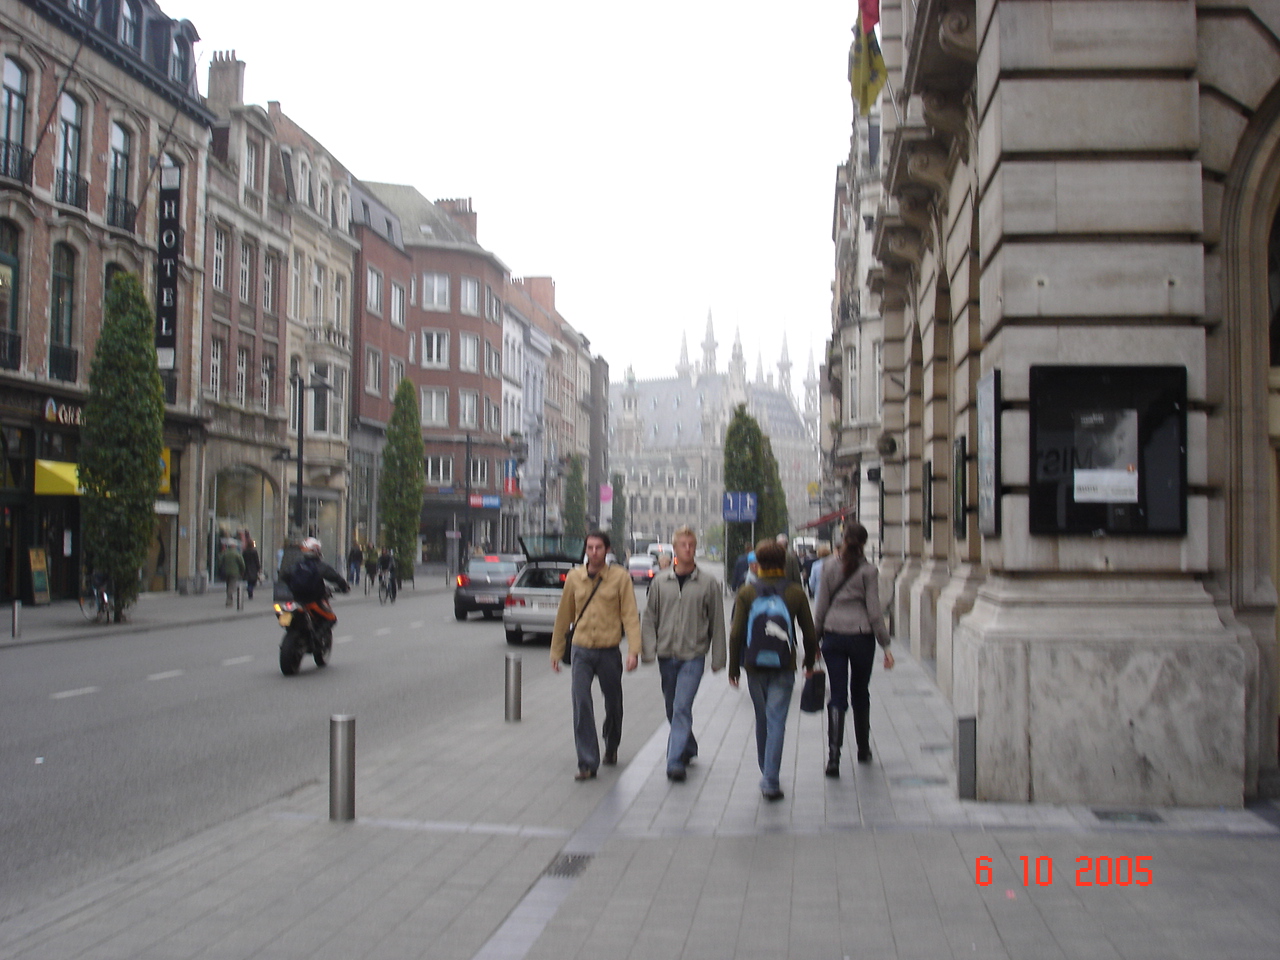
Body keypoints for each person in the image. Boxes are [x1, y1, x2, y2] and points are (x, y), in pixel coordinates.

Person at [728, 539, 818, 801]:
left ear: (757, 564)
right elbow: (809, 633)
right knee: (777, 720)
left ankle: (765, 768)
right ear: (783, 563)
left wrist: (734, 668)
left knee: (762, 718)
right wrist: (808, 662)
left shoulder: (747, 593)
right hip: (784, 664)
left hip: (754, 665)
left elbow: (736, 634)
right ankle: (770, 778)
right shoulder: (795, 593)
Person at [550, 530, 642, 781]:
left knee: (613, 703)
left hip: (608, 650)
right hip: (581, 649)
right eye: (589, 548)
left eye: (598, 548)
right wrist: (556, 651)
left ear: (607, 550)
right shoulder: (574, 578)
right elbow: (563, 616)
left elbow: (630, 616)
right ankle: (587, 762)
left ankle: (611, 743)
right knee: (581, 702)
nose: (593, 552)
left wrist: (633, 651)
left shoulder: (620, 578)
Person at [641, 525, 726, 782]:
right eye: (683, 545)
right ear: (675, 549)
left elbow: (717, 622)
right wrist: (648, 649)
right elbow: (649, 618)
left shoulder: (708, 583)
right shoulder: (660, 582)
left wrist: (719, 657)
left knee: (681, 706)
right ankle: (688, 746)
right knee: (672, 708)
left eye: (691, 545)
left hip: (693, 655)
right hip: (667, 654)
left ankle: (674, 760)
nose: (687, 549)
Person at [812, 522, 893, 776]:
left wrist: (814, 641)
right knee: (860, 692)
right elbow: (874, 611)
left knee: (837, 694)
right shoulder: (869, 571)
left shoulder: (827, 567)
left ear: (843, 539)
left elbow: (820, 607)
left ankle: (833, 758)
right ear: (865, 543)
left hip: (833, 635)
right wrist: (886, 645)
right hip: (861, 637)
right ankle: (863, 748)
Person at [219, 539, 244, 607]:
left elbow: (220, 561)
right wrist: (242, 571)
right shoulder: (236, 553)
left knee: (228, 585)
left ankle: (229, 598)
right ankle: (229, 600)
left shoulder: (225, 553)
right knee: (232, 586)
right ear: (233, 546)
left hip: (226, 571)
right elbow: (242, 563)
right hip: (234, 572)